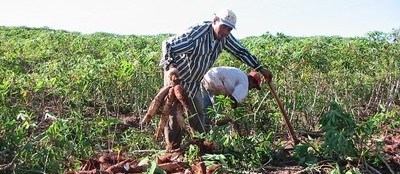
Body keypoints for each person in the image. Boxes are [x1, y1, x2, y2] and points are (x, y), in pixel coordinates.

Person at [159, 8, 273, 150]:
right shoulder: (197, 33)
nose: (225, 31)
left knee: (197, 114)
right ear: (214, 21)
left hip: (195, 82)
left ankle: (201, 148)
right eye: (223, 26)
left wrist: (260, 68)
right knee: (174, 115)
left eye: (229, 29)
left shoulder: (224, 38)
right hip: (177, 78)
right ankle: (173, 149)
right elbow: (168, 44)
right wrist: (171, 66)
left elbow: (240, 51)